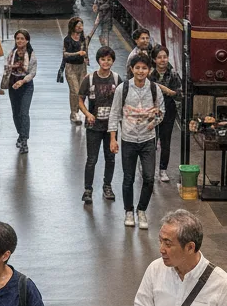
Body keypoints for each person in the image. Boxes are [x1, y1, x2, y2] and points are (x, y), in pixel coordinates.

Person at [108, 51, 165, 229]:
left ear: (149, 70)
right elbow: (114, 113)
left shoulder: (155, 89)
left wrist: (152, 122)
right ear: (132, 69)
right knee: (128, 178)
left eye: (144, 68)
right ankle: (128, 211)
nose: (141, 71)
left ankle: (142, 210)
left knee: (149, 178)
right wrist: (113, 139)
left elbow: (161, 112)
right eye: (137, 68)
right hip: (128, 140)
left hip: (148, 140)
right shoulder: (122, 89)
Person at [77, 46, 120, 204]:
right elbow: (80, 99)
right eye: (103, 59)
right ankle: (88, 189)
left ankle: (107, 186)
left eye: (109, 59)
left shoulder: (116, 79)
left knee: (110, 158)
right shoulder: (89, 79)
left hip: (111, 128)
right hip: (93, 128)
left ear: (113, 61)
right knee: (92, 159)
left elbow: (122, 100)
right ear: (98, 60)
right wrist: (87, 114)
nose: (106, 62)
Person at [150, 45, 183, 184]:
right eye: (159, 57)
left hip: (169, 110)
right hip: (152, 111)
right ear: (154, 59)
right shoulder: (150, 75)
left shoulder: (174, 74)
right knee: (151, 141)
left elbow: (179, 95)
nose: (163, 60)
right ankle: (149, 169)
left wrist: (167, 91)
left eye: (165, 57)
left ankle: (163, 170)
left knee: (165, 141)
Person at [1, 29, 37, 155]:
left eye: (22, 38)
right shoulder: (12, 53)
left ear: (27, 40)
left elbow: (32, 72)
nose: (20, 41)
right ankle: (20, 134)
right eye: (18, 38)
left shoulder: (31, 54)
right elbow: (6, 68)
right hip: (13, 85)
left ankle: (24, 140)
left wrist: (22, 81)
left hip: (26, 86)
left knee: (24, 112)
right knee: (15, 113)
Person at [63, 16, 89, 125]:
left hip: (82, 67)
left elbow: (85, 52)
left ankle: (81, 111)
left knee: (82, 91)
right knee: (75, 90)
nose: (80, 28)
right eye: (78, 26)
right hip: (71, 68)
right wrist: (77, 54)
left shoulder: (83, 39)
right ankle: (74, 112)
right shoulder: (67, 40)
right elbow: (65, 54)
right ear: (73, 27)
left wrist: (86, 58)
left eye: (81, 26)